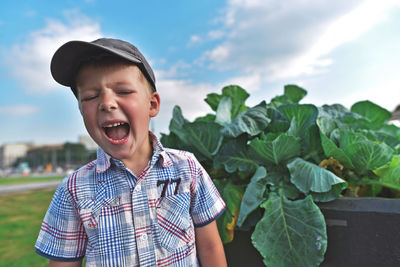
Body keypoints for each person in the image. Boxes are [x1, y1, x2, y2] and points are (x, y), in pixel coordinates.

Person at [35, 38, 227, 267]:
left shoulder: (187, 168)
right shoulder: (73, 191)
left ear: (153, 105)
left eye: (123, 91)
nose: (107, 103)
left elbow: (210, 247)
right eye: (90, 97)